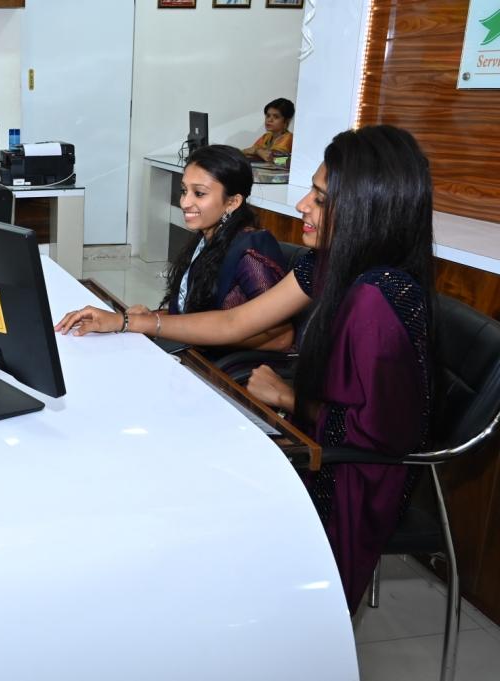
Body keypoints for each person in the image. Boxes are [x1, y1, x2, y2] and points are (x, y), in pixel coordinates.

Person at [57, 125, 435, 614]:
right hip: (316, 439)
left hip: (350, 473)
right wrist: (129, 321)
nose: (302, 205)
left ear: (369, 208)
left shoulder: (379, 297)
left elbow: (383, 435)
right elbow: (237, 321)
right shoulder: (326, 264)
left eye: (320, 199)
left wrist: (288, 398)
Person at [132, 144, 291, 351]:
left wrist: (203, 333)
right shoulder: (206, 238)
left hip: (217, 365)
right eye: (184, 190)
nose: (184, 202)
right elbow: (192, 314)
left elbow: (281, 337)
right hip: (191, 352)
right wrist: (152, 318)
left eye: (199, 193)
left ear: (232, 202)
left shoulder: (250, 250)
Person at [241, 98, 295, 163]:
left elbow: (272, 158)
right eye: (268, 116)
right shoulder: (266, 137)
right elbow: (247, 152)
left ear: (286, 121)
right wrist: (256, 151)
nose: (269, 120)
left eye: (276, 117)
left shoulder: (289, 138)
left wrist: (256, 151)